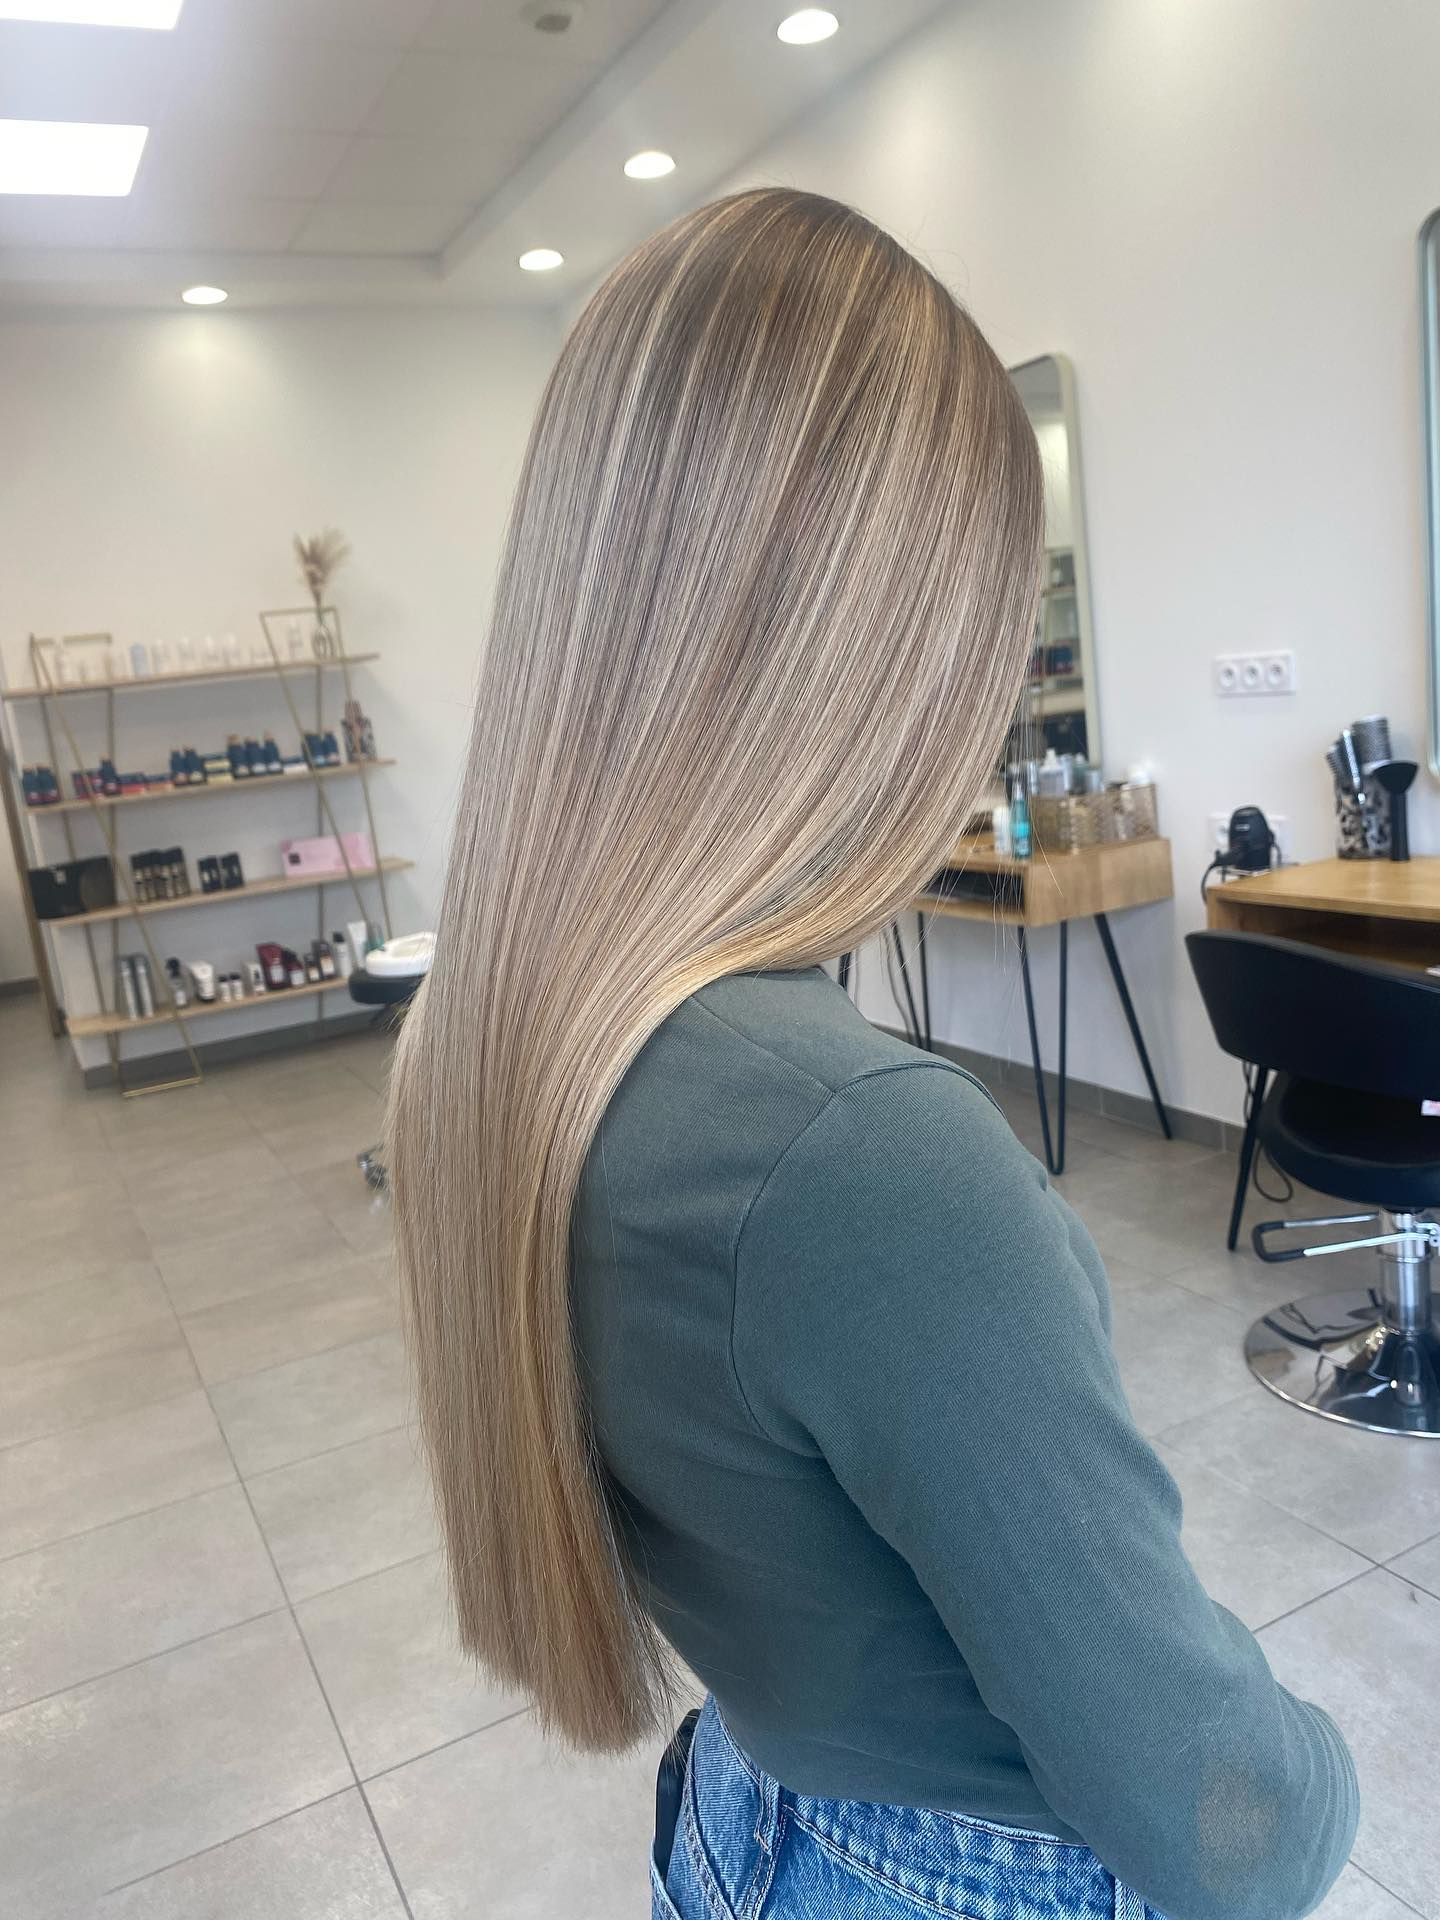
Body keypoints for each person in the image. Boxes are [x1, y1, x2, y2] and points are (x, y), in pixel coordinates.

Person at [388, 189, 1357, 1920]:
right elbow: (1231, 1828)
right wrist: (1329, 1763)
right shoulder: (857, 1153)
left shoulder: (488, 1044)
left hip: (750, 1813)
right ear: (880, 652)